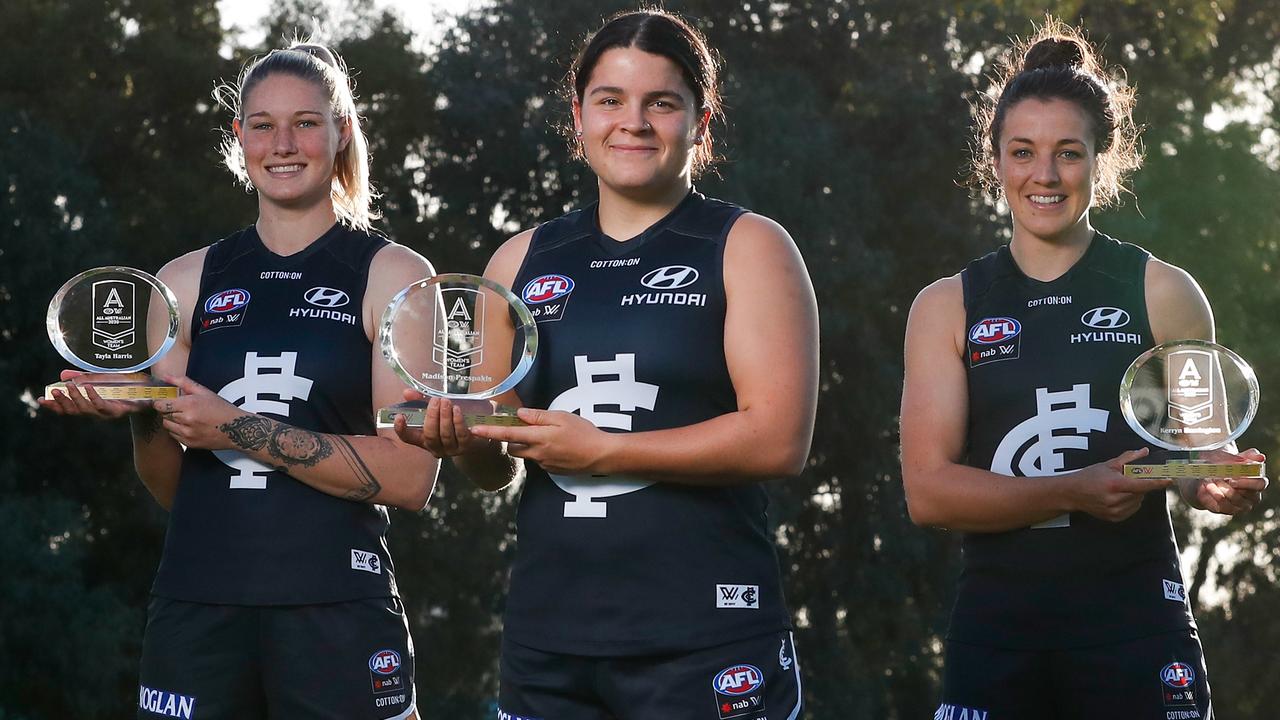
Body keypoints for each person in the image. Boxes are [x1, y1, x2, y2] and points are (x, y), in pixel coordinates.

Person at [394, 9, 817, 719]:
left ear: (701, 120)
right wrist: (454, 434)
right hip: (549, 641)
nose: (635, 122)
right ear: (579, 114)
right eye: (611, 100)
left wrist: (603, 452)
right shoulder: (520, 260)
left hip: (707, 639)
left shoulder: (748, 245)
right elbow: (494, 468)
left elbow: (778, 440)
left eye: (662, 102)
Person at [40, 43, 436, 720]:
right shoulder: (185, 280)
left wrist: (237, 428)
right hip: (198, 608)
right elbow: (174, 488)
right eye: (262, 124)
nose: (283, 144)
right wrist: (139, 409)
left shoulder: (393, 275)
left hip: (337, 609)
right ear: (239, 137)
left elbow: (409, 477)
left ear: (341, 131)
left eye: (306, 122)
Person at [900, 18, 1268, 719]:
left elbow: (1199, 456)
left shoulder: (1165, 293)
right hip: (997, 635)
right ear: (996, 160)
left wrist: (1214, 487)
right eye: (1023, 152)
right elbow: (930, 494)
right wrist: (1075, 489)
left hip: (1137, 627)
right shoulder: (947, 306)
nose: (1045, 175)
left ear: (1104, 158)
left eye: (1069, 153)